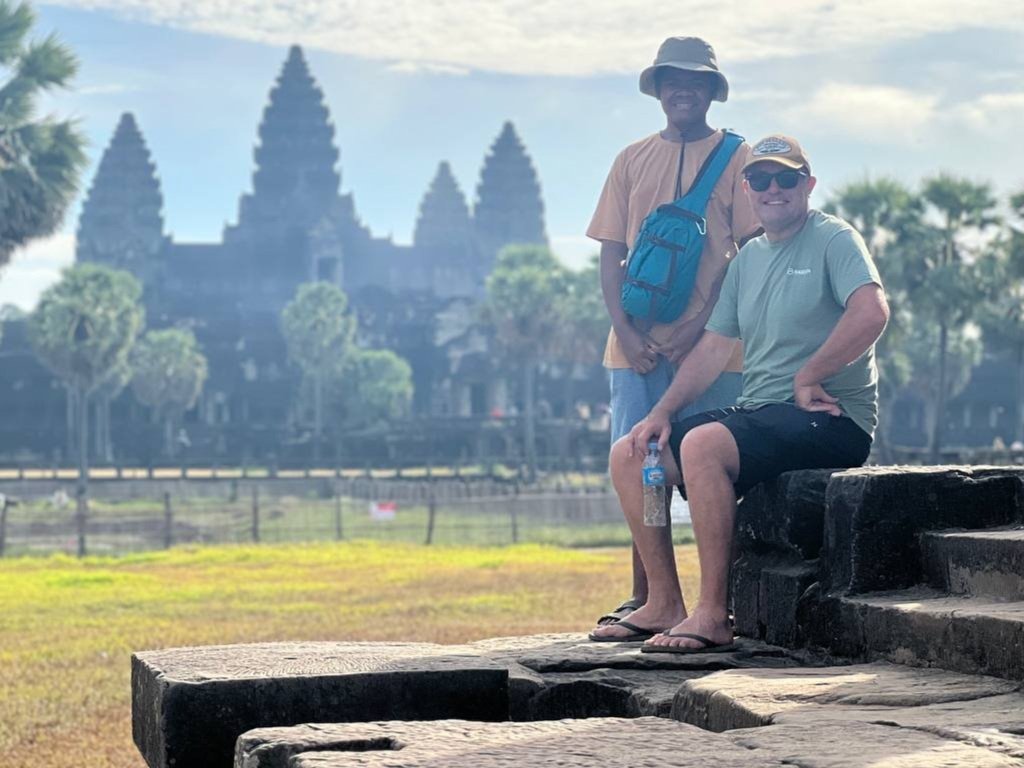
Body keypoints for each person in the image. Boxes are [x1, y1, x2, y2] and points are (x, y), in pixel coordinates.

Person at [590, 134, 889, 650]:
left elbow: (872, 311)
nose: (773, 189)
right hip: (765, 414)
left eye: (786, 178)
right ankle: (663, 600)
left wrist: (809, 374)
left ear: (808, 185)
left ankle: (712, 613)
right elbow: (712, 348)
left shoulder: (834, 239)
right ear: (746, 189)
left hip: (831, 419)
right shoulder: (747, 260)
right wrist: (660, 412)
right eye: (760, 179)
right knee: (634, 453)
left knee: (703, 443)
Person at [586, 36, 761, 627]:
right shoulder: (631, 159)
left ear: (712, 90)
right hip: (633, 346)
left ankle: (723, 603)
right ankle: (650, 599)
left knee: (717, 471)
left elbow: (743, 253)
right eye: (670, 80)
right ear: (657, 90)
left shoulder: (737, 158)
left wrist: (698, 326)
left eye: (695, 81)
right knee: (639, 467)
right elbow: (611, 253)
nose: (682, 90)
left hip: (713, 348)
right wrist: (626, 333)